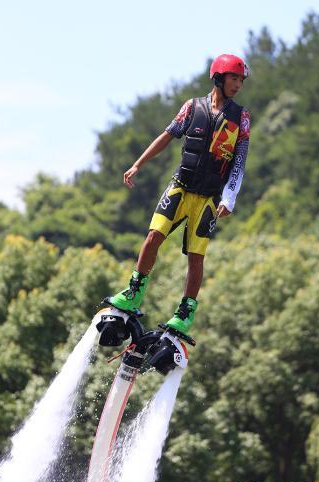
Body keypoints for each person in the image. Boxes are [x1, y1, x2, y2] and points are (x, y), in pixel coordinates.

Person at [108, 53, 251, 336]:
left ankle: (184, 313)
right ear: (218, 78)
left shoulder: (241, 118)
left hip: (209, 198)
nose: (238, 84)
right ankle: (135, 292)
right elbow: (165, 136)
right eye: (233, 78)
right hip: (181, 187)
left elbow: (239, 161)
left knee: (195, 257)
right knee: (152, 237)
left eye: (241, 80)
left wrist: (229, 197)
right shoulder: (191, 107)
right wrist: (138, 163)